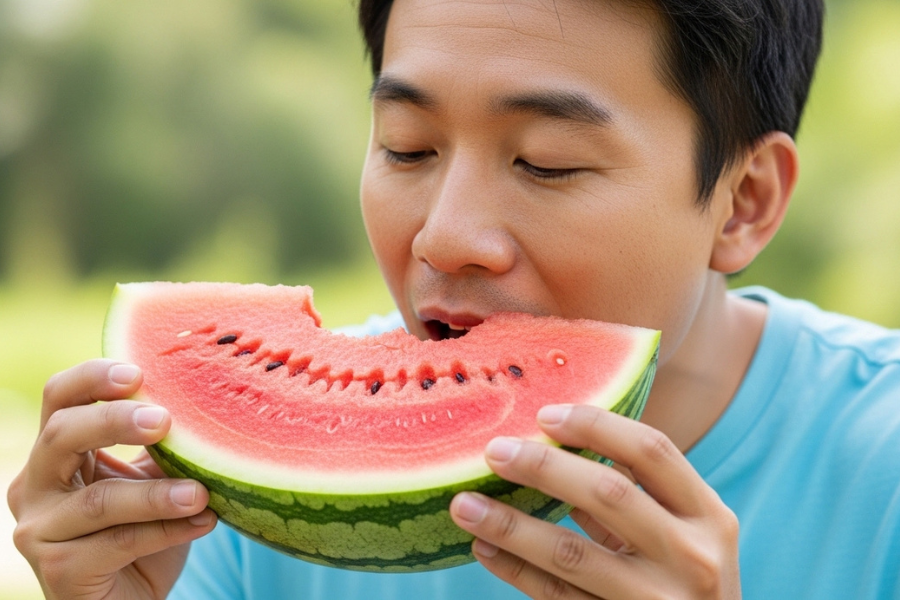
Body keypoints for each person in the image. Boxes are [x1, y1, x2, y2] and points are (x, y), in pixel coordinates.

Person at [8, 0, 900, 597]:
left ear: (743, 201)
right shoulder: (240, 503)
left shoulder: (882, 473)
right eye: (406, 147)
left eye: (545, 160)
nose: (443, 236)